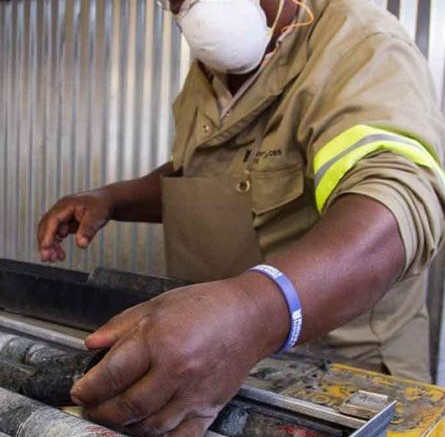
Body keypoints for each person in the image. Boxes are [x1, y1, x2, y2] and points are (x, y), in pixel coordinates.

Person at [37, 0, 445, 435]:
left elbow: (398, 197)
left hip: (341, 373)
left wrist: (256, 311)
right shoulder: (211, 71)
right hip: (226, 354)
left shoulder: (358, 46)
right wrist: (113, 198)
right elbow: (213, 178)